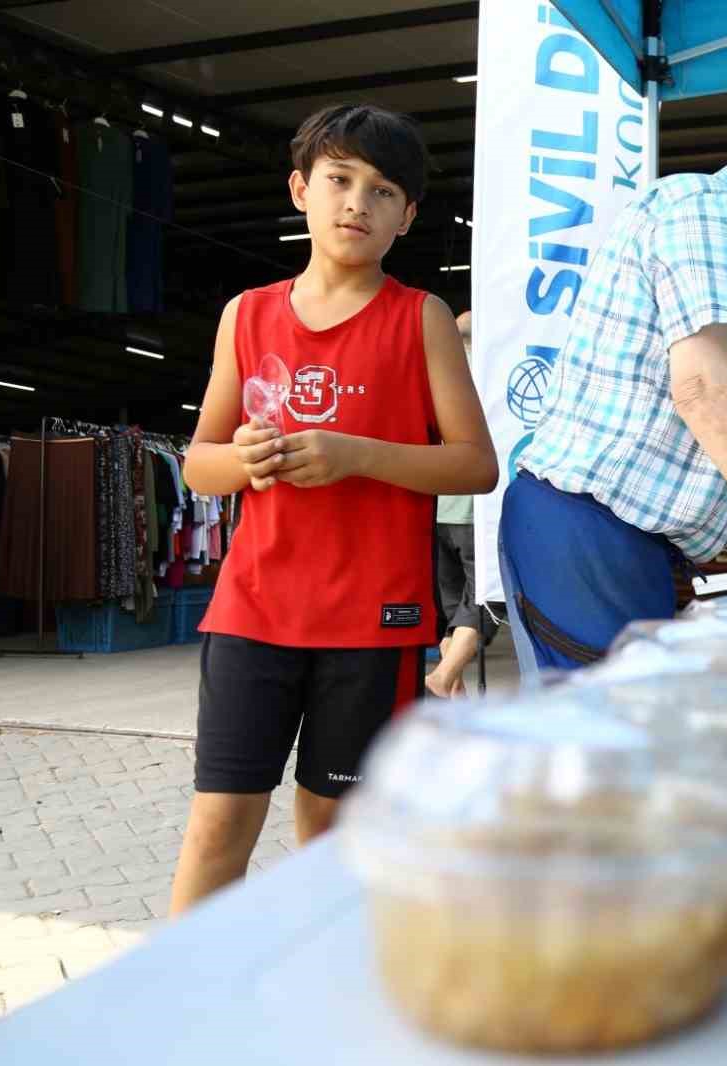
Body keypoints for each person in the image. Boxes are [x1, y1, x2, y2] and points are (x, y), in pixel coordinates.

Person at [169, 104, 498, 914]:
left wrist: (355, 453)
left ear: (407, 217)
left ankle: (330, 1011)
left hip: (372, 622)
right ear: (300, 190)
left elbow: (476, 465)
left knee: (335, 834)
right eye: (340, 180)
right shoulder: (245, 314)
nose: (358, 202)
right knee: (218, 826)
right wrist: (243, 460)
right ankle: (181, 1013)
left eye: (383, 191)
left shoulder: (418, 318)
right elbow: (199, 465)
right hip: (253, 613)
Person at [501, 94, 727, 669]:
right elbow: (700, 385)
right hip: (589, 529)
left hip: (621, 538)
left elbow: (667, 400)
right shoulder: (704, 210)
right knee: (601, 740)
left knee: (629, 732)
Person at [428, 310, 501, 698]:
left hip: (438, 507)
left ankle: (453, 690)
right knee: (483, 600)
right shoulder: (491, 376)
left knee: (454, 603)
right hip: (476, 510)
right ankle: (444, 678)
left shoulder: (439, 377)